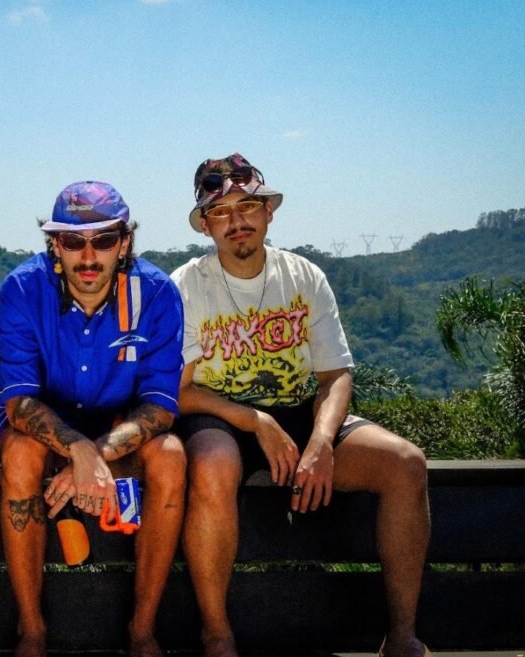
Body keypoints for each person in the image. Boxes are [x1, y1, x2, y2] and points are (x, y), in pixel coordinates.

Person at [171, 153, 433, 657]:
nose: (236, 221)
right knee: (213, 463)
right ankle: (217, 635)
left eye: (248, 206)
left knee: (405, 463)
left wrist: (321, 442)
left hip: (298, 411)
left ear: (269, 212)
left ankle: (402, 635)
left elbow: (335, 375)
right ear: (206, 225)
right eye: (220, 212)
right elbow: (178, 390)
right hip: (219, 415)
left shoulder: (303, 276)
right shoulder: (187, 285)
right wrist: (255, 420)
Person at [0, 181, 187, 657]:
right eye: (74, 241)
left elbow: (160, 405)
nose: (89, 255)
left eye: (105, 239)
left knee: (172, 456)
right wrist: (78, 449)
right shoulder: (22, 289)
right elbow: (19, 403)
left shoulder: (157, 293)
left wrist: (97, 454)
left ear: (125, 242)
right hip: (44, 431)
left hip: (119, 432)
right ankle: (32, 631)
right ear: (55, 244)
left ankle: (142, 631)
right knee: (19, 452)